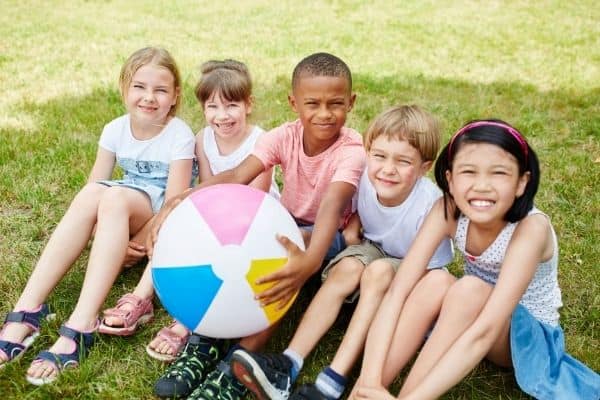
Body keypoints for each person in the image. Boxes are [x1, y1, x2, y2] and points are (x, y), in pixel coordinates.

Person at [149, 52, 366, 400]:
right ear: (293, 102)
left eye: (335, 103)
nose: (324, 114)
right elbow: (236, 176)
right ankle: (202, 343)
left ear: (351, 102)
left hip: (330, 236)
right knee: (234, 250)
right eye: (312, 103)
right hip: (287, 224)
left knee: (279, 257)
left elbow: (331, 205)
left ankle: (239, 364)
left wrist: (308, 262)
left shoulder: (351, 150)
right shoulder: (283, 136)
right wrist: (181, 200)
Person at [352, 120, 600, 400]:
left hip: (522, 335)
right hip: (469, 311)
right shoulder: (447, 208)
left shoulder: (531, 229)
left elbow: (486, 330)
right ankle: (366, 393)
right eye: (468, 172)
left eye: (499, 174)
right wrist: (369, 376)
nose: (482, 186)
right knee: (436, 280)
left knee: (468, 289)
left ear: (522, 182)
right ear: (450, 179)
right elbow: (398, 291)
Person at [228, 105, 454, 400]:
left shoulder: (430, 204)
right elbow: (362, 208)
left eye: (403, 161)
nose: (387, 169)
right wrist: (354, 224)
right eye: (380, 156)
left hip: (417, 270)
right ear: (368, 152)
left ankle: (332, 381)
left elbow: (430, 269)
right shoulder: (364, 178)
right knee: (348, 269)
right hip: (372, 249)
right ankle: (288, 363)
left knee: (378, 271)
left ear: (424, 166)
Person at [0, 47, 195, 386]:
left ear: (175, 95)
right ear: (124, 88)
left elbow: (173, 205)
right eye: (140, 86)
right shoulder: (114, 129)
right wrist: (106, 231)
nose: (149, 97)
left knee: (114, 196)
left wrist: (139, 240)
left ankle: (81, 322)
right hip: (118, 212)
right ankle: (27, 310)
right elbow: (92, 188)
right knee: (93, 193)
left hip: (155, 222)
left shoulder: (178, 135)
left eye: (161, 90)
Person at [98, 59, 279, 363]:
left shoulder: (262, 141)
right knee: (175, 225)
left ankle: (185, 322)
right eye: (212, 107)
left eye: (232, 105)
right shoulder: (202, 139)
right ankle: (142, 296)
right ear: (203, 109)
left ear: (249, 105)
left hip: (253, 224)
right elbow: (206, 189)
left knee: (216, 256)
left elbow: (255, 197)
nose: (222, 116)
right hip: (217, 212)